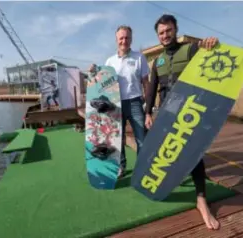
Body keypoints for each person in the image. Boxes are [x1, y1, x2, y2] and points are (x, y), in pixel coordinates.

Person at [144, 14, 220, 230]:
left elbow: (210, 54)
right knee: (165, 149)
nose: (165, 35)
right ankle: (169, 182)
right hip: (167, 112)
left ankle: (201, 199)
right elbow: (151, 90)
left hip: (189, 110)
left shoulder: (190, 50)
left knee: (194, 153)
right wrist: (148, 113)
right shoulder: (157, 61)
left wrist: (211, 44)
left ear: (175, 29)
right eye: (161, 33)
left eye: (168, 31)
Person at [89, 25, 151, 178]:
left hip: (135, 102)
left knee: (141, 139)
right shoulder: (110, 61)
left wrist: (148, 107)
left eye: (127, 37)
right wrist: (93, 72)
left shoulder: (139, 58)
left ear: (131, 39)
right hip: (115, 105)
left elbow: (146, 83)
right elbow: (101, 83)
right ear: (116, 40)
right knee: (118, 138)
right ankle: (120, 166)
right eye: (121, 38)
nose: (124, 41)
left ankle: (142, 168)